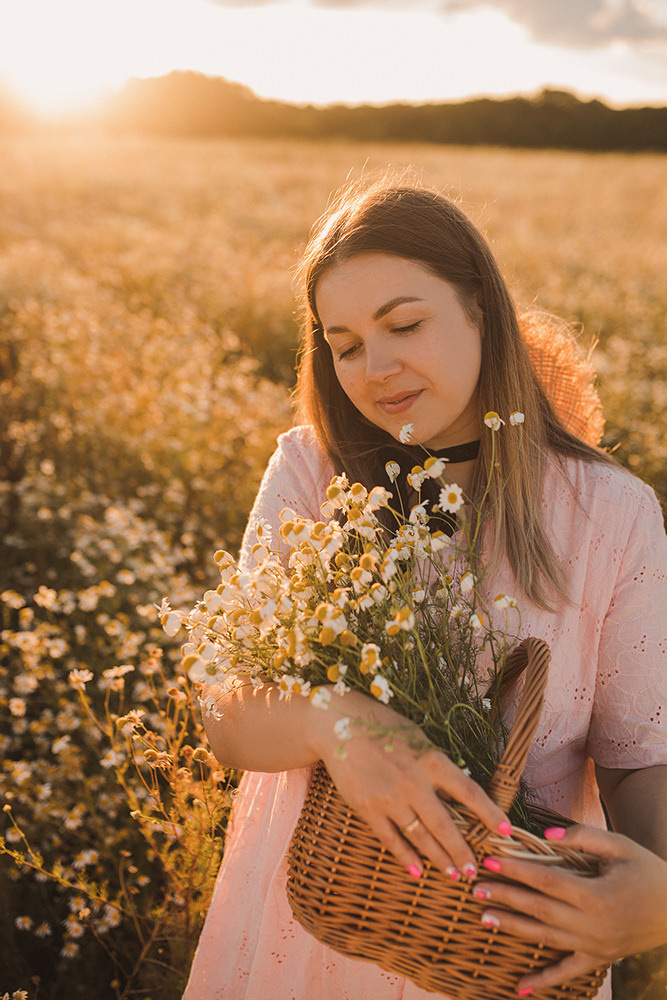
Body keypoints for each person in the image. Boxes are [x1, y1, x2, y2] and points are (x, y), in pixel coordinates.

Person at [182, 179, 667, 1000]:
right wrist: (337, 724)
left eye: (404, 325)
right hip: (307, 936)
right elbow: (222, 712)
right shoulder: (314, 471)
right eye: (343, 344)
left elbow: (638, 758)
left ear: (481, 310)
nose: (374, 369)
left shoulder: (609, 512)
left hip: (504, 950)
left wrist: (658, 900)